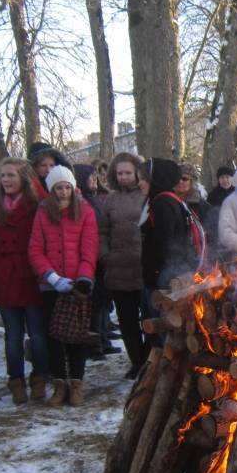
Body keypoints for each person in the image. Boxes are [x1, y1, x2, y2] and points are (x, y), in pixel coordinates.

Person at [0, 158, 49, 403]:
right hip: (6, 275)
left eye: (11, 175)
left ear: (24, 177)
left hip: (31, 275)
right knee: (12, 335)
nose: (6, 180)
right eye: (3, 175)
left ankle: (40, 377)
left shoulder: (37, 202)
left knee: (38, 334)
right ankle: (16, 380)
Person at [29, 166, 98, 405]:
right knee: (54, 336)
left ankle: (77, 382)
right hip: (53, 284)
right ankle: (59, 383)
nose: (63, 192)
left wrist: (84, 277)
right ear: (52, 190)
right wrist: (51, 277)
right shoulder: (42, 213)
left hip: (78, 284)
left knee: (76, 337)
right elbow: (36, 249)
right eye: (58, 188)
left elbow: (89, 248)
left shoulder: (85, 211)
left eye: (67, 187)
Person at [100, 152, 147, 379]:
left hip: (143, 268)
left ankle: (149, 360)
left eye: (128, 172)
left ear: (137, 173)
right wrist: (106, 255)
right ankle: (136, 361)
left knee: (148, 318)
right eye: (120, 173)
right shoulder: (110, 200)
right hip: (118, 269)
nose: (124, 177)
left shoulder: (146, 196)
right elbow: (102, 232)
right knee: (127, 321)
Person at [141, 157, 206, 291]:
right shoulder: (172, 199)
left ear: (156, 179)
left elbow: (165, 246)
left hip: (164, 280)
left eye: (144, 178)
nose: (139, 182)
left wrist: (157, 275)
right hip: (175, 273)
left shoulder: (162, 203)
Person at [75, 163, 119, 361]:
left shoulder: (95, 199)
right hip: (91, 260)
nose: (94, 181)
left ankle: (103, 338)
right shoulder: (82, 202)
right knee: (94, 305)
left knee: (102, 303)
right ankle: (95, 345)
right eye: (90, 178)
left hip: (102, 259)